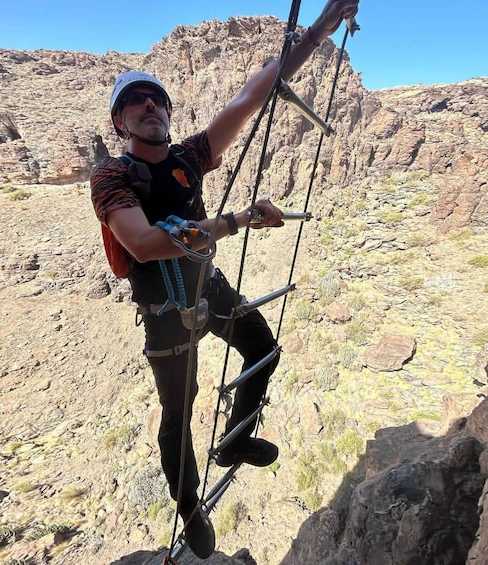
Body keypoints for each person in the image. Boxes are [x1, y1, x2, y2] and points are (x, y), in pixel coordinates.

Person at [90, 0, 359, 557]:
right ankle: (189, 505)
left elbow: (254, 95)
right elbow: (140, 243)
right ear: (120, 121)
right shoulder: (113, 175)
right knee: (179, 411)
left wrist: (317, 30)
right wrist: (235, 221)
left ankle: (234, 440)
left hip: (205, 287)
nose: (149, 107)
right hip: (165, 309)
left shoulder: (192, 154)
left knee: (262, 345)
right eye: (134, 104)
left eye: (156, 100)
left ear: (168, 112)